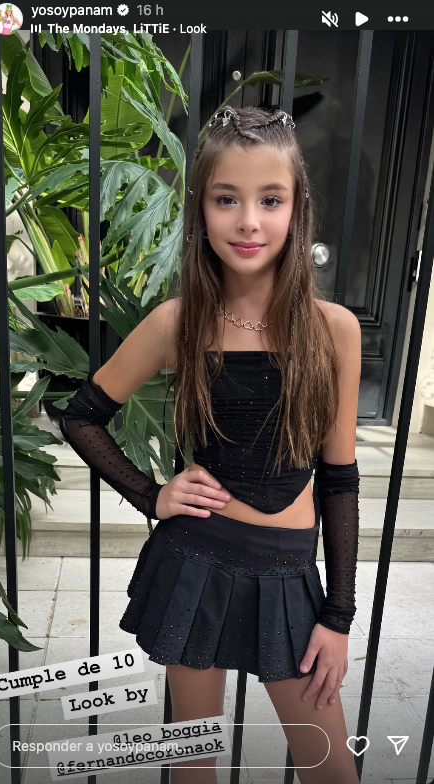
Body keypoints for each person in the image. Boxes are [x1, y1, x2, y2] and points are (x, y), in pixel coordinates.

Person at [59, 105, 361, 784]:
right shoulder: (178, 323)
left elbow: (339, 477)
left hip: (287, 576)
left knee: (332, 770)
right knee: (192, 764)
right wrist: (152, 495)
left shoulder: (334, 330)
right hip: (196, 562)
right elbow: (82, 416)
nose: (248, 221)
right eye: (227, 199)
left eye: (270, 200)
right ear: (201, 208)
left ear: (297, 208)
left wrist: (337, 616)